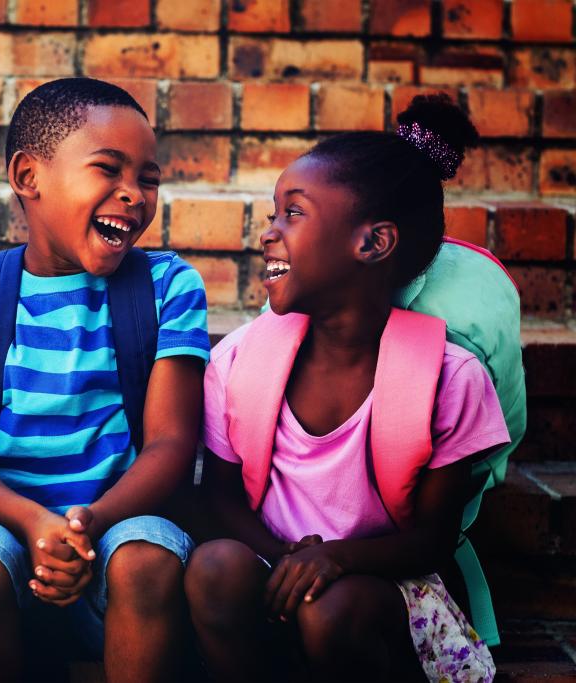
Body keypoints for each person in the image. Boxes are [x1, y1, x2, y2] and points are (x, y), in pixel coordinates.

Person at [186, 95, 509, 682]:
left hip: (383, 594)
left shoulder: (449, 377)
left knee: (329, 612)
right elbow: (220, 500)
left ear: (372, 243)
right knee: (214, 566)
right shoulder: (237, 362)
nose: (269, 233)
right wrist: (291, 558)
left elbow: (433, 539)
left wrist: (335, 558)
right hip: (275, 569)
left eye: (294, 213)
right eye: (272, 215)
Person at [0, 77, 211, 683]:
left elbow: (172, 444)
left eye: (147, 178)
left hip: (116, 535)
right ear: (28, 177)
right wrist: (31, 524)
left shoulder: (168, 287)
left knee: (148, 556)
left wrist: (86, 524)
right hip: (1, 540)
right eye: (108, 169)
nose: (133, 194)